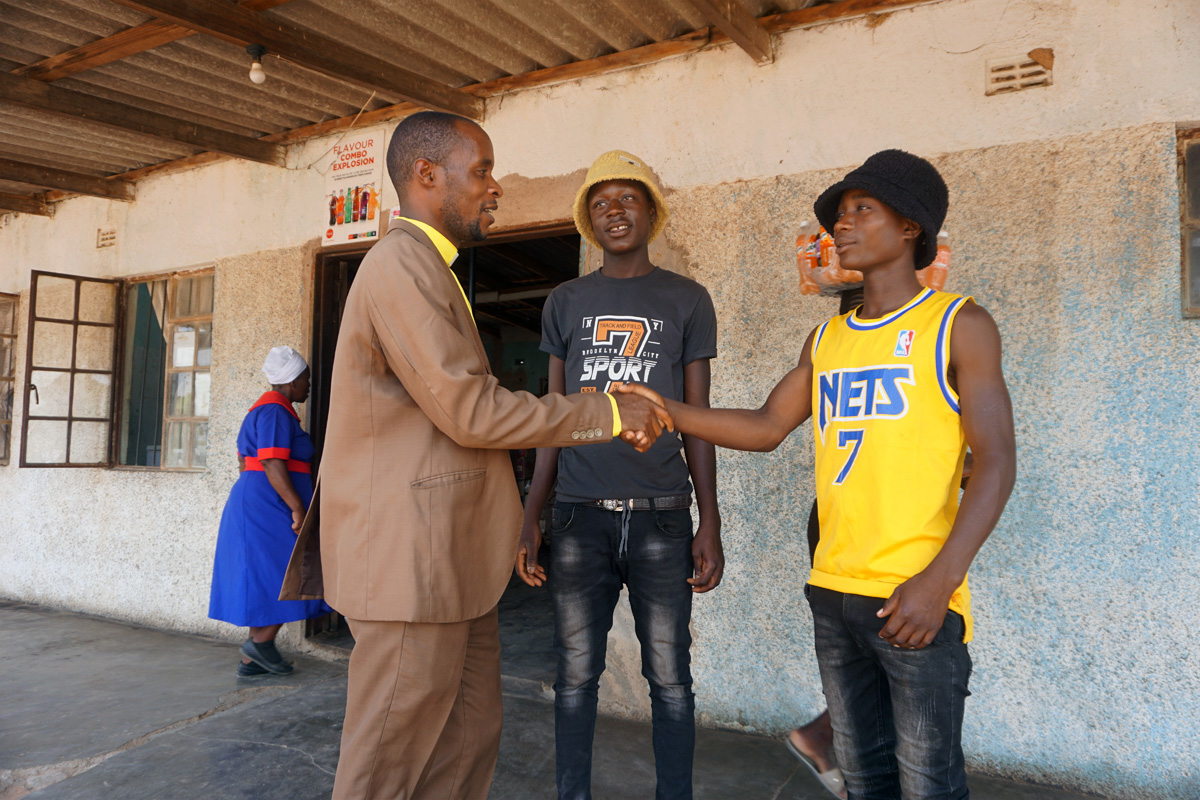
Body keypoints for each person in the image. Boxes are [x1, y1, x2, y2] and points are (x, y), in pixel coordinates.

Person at [280, 112, 671, 800]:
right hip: (409, 567)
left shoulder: (431, 268)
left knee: (466, 744)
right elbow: (470, 409)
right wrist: (608, 410)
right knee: (385, 766)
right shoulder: (399, 265)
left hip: (450, 565)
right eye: (482, 170)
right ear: (428, 176)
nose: (495, 188)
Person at [621, 149, 1016, 800]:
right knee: (863, 782)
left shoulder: (958, 325)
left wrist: (940, 581)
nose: (843, 224)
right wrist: (670, 411)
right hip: (833, 594)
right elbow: (767, 426)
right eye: (839, 214)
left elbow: (997, 463)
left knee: (929, 788)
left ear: (911, 226)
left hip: (916, 596)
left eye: (862, 209)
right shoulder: (827, 341)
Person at [515, 150, 723, 800]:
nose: (614, 211)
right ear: (588, 220)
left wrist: (709, 519)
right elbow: (553, 420)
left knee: (670, 679)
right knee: (576, 674)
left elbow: (698, 419)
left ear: (651, 211)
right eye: (600, 202)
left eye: (627, 198)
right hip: (579, 516)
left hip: (663, 514)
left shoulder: (687, 299)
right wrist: (532, 517)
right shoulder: (565, 301)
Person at [209, 345, 331, 676]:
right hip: (270, 507)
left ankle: (252, 660)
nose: (309, 385)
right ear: (291, 381)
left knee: (269, 574)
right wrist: (296, 508)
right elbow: (272, 461)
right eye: (305, 378)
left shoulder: (271, 410)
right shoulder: (275, 410)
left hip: (261, 502)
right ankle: (259, 646)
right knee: (285, 573)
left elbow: (244, 461)